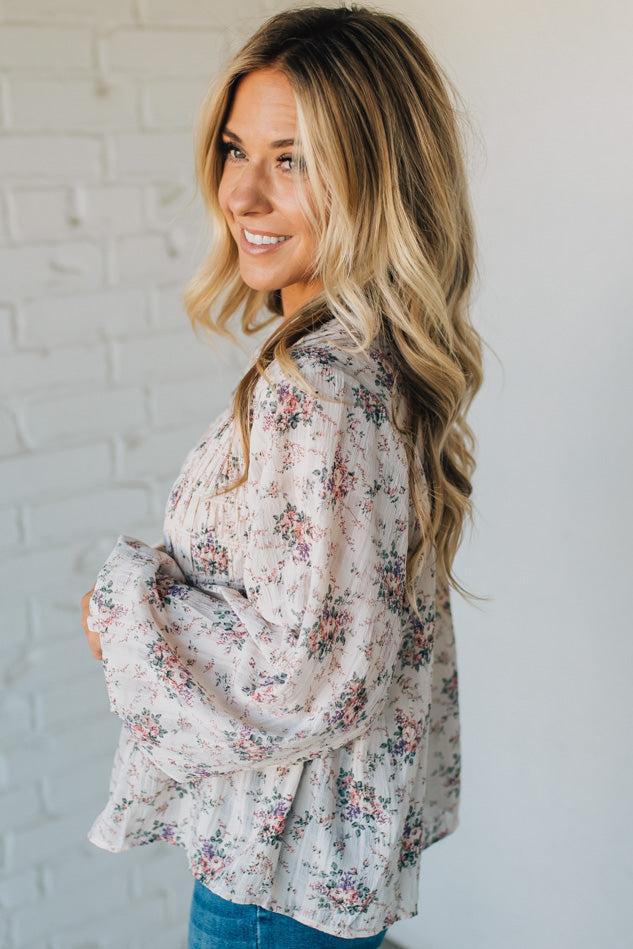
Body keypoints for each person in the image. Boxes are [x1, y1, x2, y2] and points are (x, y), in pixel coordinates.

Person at [80, 4, 485, 946]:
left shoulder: (320, 389)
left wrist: (120, 612)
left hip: (274, 888)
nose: (243, 194)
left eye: (292, 160)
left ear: (377, 180)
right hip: (311, 869)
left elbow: (314, 673)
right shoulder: (363, 361)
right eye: (236, 150)